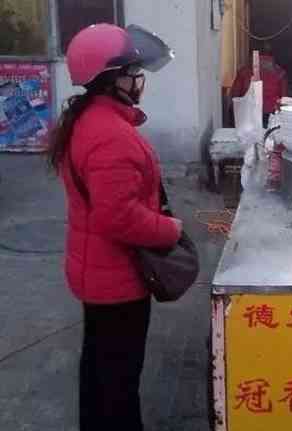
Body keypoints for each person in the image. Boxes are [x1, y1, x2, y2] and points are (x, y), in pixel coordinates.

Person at [46, 24, 182, 431]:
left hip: (95, 272)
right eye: (133, 72)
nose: (140, 80)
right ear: (113, 80)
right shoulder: (111, 136)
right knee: (120, 383)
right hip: (117, 281)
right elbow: (117, 217)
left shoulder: (87, 119)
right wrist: (170, 229)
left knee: (99, 371)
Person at [230, 41, 288, 127]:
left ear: (253, 55)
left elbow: (234, 95)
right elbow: (284, 98)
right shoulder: (280, 73)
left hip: (248, 114)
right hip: (271, 114)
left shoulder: (243, 71)